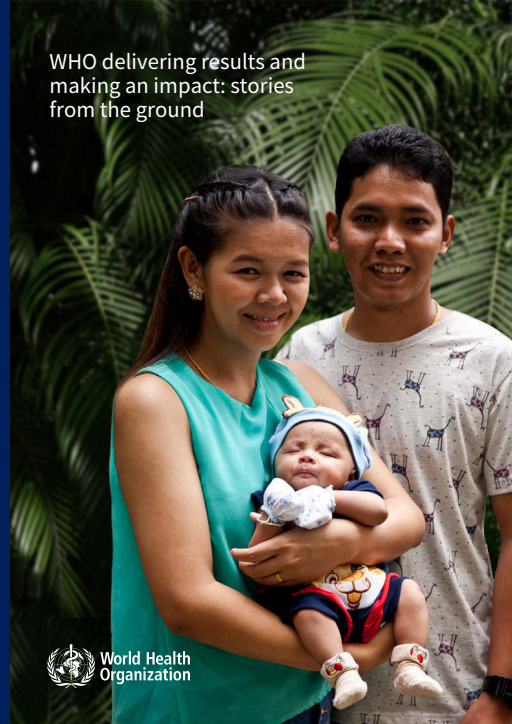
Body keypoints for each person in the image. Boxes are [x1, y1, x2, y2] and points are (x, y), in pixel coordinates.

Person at [111, 164, 426, 724]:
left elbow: (405, 517)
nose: (274, 295)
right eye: (248, 270)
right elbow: (188, 604)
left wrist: (337, 542)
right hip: (199, 709)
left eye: (293, 274)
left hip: (307, 705)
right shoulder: (155, 400)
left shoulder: (301, 384)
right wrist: (346, 658)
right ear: (194, 268)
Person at [272, 126, 512, 724]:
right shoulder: (299, 355)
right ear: (334, 230)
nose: (389, 241)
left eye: (414, 221)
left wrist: (502, 693)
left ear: (445, 234)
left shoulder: (493, 362)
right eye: (368, 218)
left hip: (455, 698)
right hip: (314, 698)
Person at [249, 397, 442, 711]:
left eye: (325, 453)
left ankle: (409, 665)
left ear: (351, 471)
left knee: (409, 591)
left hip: (369, 589)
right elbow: (258, 555)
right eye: (293, 450)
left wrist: (328, 498)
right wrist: (272, 517)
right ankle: (342, 674)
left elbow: (378, 512)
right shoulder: (277, 497)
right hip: (315, 599)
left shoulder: (355, 491)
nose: (307, 457)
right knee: (307, 613)